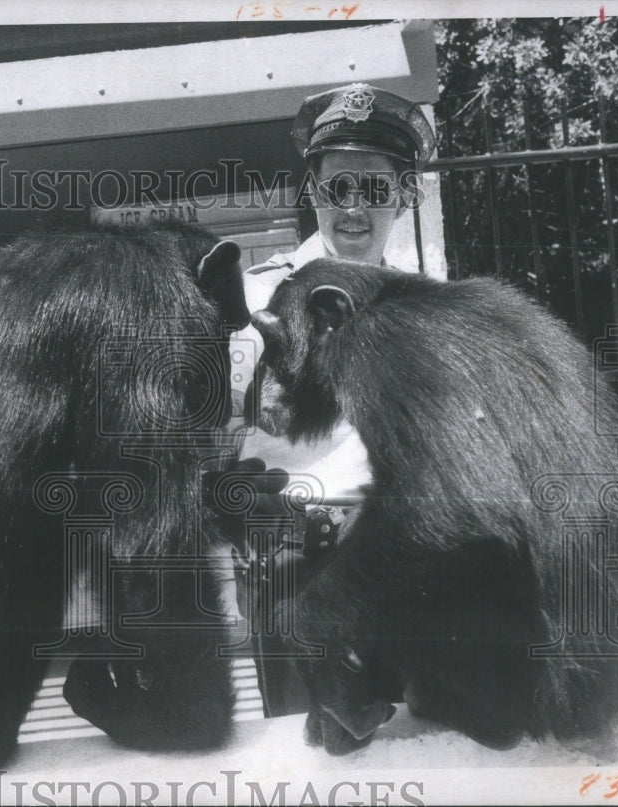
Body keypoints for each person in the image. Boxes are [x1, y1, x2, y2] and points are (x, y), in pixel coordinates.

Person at [229, 83, 437, 717]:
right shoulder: (256, 303)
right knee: (308, 763)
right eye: (336, 187)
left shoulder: (431, 313)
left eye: (374, 189)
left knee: (415, 756)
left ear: (403, 198)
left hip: (402, 572)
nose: (354, 208)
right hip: (295, 573)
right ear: (312, 193)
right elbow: (195, 432)